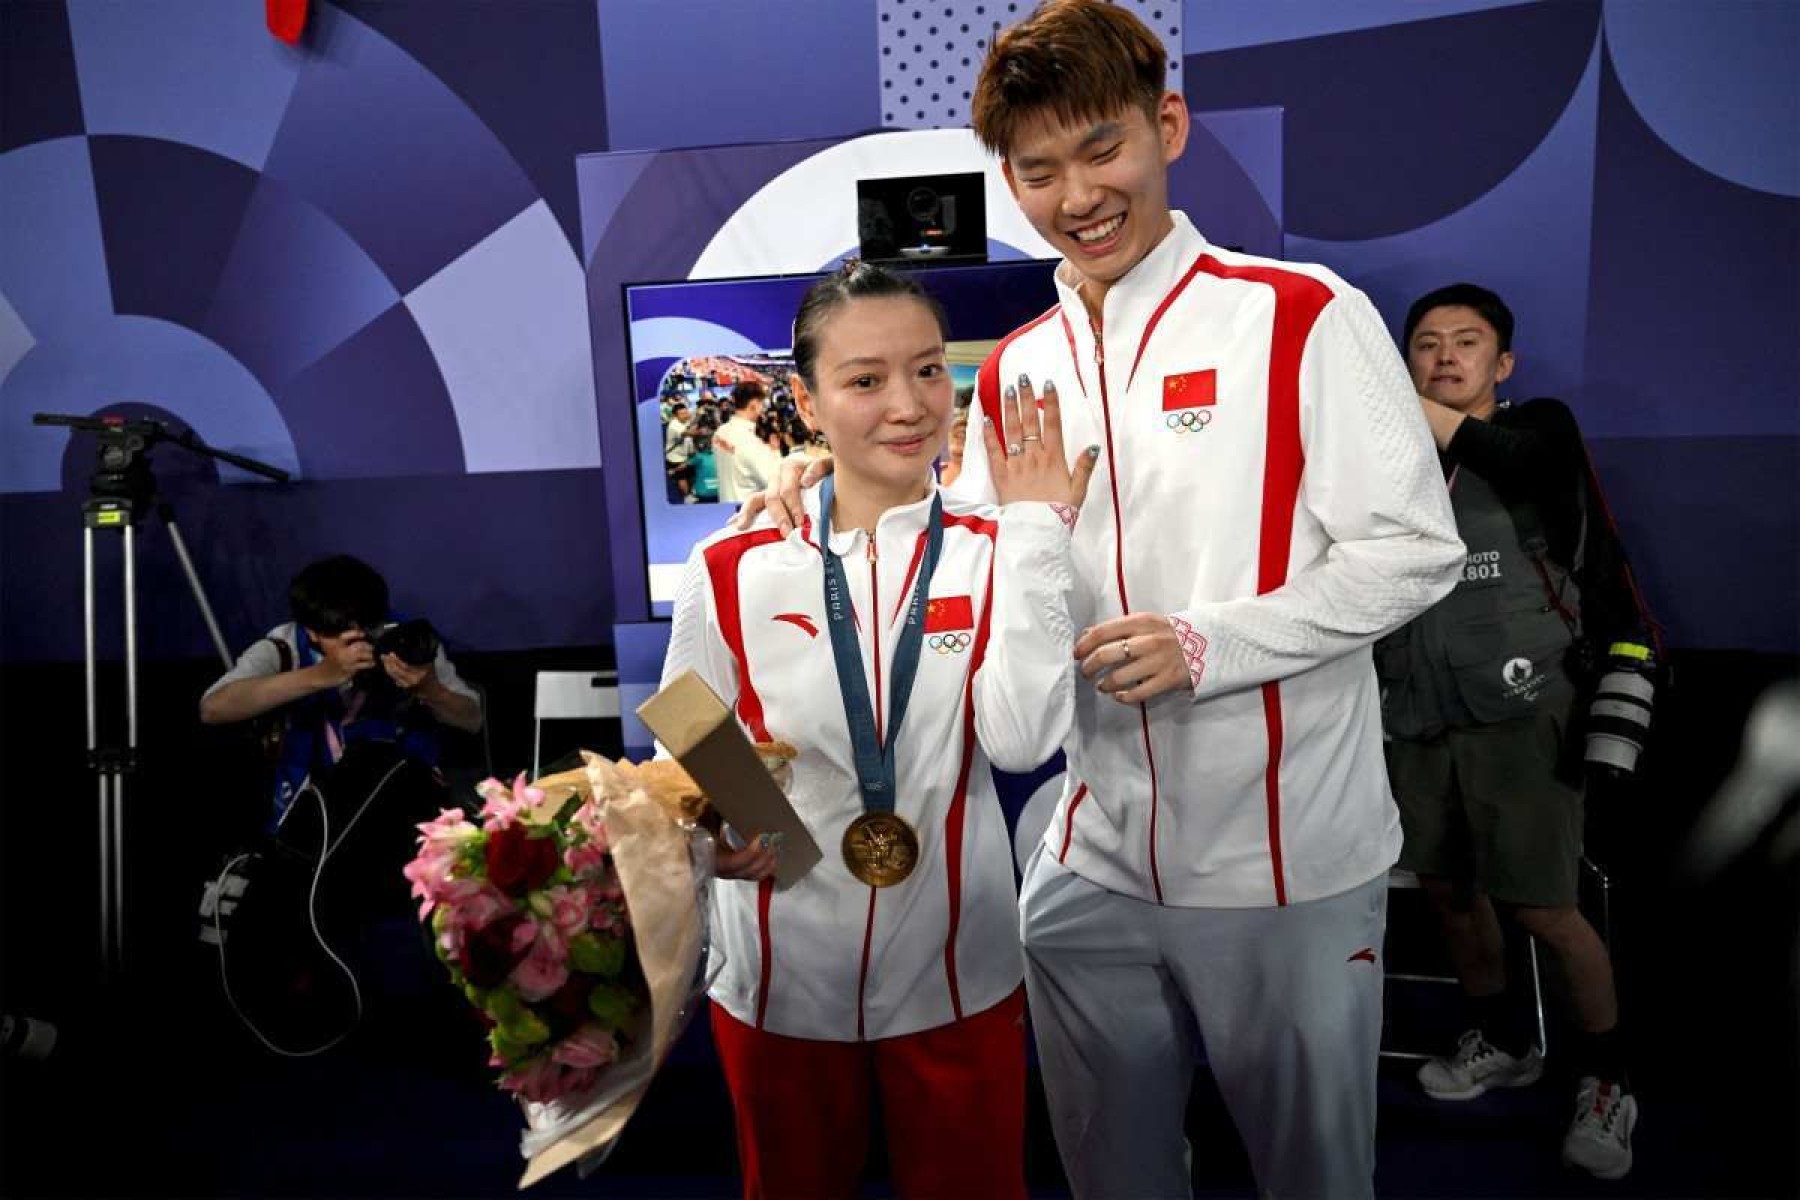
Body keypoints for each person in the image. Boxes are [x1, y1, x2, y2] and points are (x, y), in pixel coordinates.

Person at [739, 4, 1465, 1195]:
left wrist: (1209, 641)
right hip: (1089, 855)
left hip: (1281, 859)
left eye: (1102, 149)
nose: (1076, 193)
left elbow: (1413, 551)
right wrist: (840, 477)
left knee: (1313, 1175)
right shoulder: (1022, 359)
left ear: (1165, 125)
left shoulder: (1296, 314)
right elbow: (959, 545)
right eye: (1037, 169)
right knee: (1109, 1172)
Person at [661, 260, 1096, 1199]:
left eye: (930, 370)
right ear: (808, 406)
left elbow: (1023, 740)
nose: (909, 404)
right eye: (864, 380)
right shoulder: (733, 560)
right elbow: (690, 726)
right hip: (780, 969)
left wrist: (1035, 531)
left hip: (957, 968)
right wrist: (732, 826)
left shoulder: (997, 549)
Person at [1380, 283, 1638, 1179]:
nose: (1444, 357)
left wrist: (1390, 394)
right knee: (1449, 890)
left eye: (1466, 342)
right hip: (1413, 708)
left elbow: (1520, 469)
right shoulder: (1384, 458)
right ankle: (1500, 1038)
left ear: (1504, 364)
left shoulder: (1542, 430)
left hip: (1523, 709)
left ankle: (1607, 1080)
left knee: (1544, 904)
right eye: (1423, 344)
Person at [201, 554, 483, 830]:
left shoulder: (407, 638)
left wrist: (430, 689)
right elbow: (213, 708)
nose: (359, 640)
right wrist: (320, 675)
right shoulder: (284, 646)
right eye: (341, 633)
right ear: (312, 631)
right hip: (313, 814)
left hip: (401, 802)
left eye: (368, 625)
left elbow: (472, 719)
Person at [714, 381, 782, 502]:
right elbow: (776, 482)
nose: (763, 408)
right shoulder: (750, 443)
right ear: (754, 405)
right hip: (749, 511)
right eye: (762, 403)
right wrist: (775, 453)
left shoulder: (719, 433)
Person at [939, 404, 971, 489]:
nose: (958, 446)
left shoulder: (982, 474)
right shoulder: (936, 472)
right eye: (955, 436)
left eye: (964, 439)